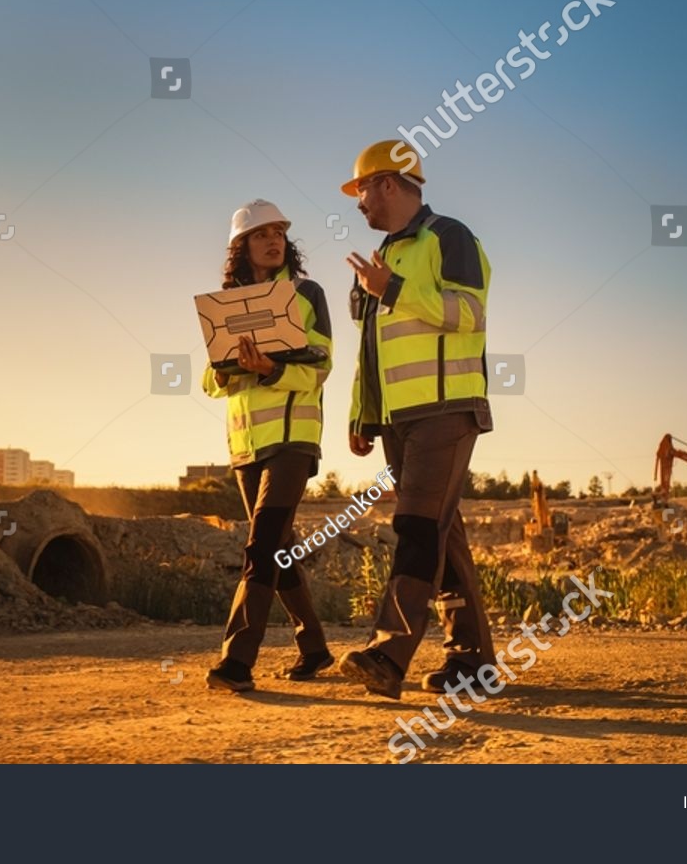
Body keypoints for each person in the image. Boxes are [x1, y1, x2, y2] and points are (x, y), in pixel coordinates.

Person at [335, 140, 497, 700]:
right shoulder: (383, 259)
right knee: (443, 536)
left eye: (361, 190)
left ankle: (387, 653)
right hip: (399, 418)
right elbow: (372, 351)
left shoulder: (448, 237)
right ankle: (472, 662)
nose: (358, 204)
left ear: (386, 183)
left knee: (417, 528)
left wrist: (393, 291)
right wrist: (363, 415)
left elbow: (469, 314)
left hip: (446, 410)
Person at [202, 199, 336, 692]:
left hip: (294, 439)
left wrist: (270, 369)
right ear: (242, 247)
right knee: (280, 550)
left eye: (279, 231)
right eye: (262, 234)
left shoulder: (307, 293)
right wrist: (223, 370)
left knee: (261, 546)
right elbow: (210, 382)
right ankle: (315, 648)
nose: (274, 239)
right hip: (245, 445)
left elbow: (321, 366)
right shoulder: (225, 303)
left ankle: (236, 661)